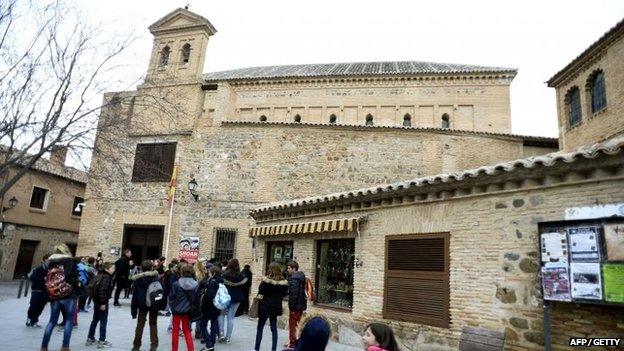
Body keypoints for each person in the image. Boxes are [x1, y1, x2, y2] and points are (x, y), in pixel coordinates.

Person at [40, 244, 80, 351]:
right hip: (68, 295)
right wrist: (77, 283)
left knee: (52, 321)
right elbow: (68, 276)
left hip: (54, 295)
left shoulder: (51, 263)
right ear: (66, 250)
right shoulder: (69, 261)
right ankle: (65, 347)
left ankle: (44, 347)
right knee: (69, 320)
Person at [253, 262, 288, 351]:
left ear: (271, 269)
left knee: (260, 327)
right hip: (275, 307)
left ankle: (257, 348)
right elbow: (284, 294)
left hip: (265, 306)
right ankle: (273, 349)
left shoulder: (266, 281)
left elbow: (260, 291)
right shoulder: (283, 283)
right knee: (274, 328)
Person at [130, 260, 161, 351]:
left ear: (142, 268)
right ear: (151, 267)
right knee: (153, 324)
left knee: (140, 324)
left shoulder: (138, 279)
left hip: (142, 304)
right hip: (153, 303)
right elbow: (161, 291)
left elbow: (135, 296)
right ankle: (154, 346)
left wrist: (134, 310)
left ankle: (136, 345)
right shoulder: (156, 278)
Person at [86, 262, 115, 348]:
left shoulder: (100, 274)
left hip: (96, 300)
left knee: (95, 319)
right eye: (112, 268)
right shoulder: (106, 277)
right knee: (103, 320)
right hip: (102, 301)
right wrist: (103, 303)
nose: (114, 270)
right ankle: (102, 340)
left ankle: (90, 337)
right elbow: (102, 290)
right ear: (107, 269)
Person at [169, 264, 198, 351]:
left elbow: (171, 297)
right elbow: (195, 299)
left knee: (175, 330)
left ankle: (174, 349)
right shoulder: (196, 284)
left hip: (177, 310)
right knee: (187, 331)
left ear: (182, 272)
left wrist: (173, 306)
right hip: (187, 310)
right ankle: (191, 349)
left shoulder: (176, 284)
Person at [218, 258, 247, 343]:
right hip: (237, 297)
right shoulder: (242, 276)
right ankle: (228, 338)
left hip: (225, 297)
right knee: (231, 318)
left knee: (221, 315)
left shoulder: (224, 275)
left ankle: (221, 334)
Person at [198, 266, 223, 351]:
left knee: (202, 325)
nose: (209, 274)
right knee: (213, 324)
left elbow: (209, 296)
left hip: (210, 307)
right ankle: (212, 343)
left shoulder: (212, 282)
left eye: (210, 273)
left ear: (214, 273)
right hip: (218, 307)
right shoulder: (221, 280)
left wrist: (203, 307)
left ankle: (209, 344)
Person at [284, 260, 306, 351]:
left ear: (294, 268)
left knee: (292, 325)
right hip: (300, 306)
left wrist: (291, 308)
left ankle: (293, 344)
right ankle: (297, 341)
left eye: (289, 268)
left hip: (295, 306)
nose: (287, 270)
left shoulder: (294, 279)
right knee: (298, 325)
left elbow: (294, 295)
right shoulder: (301, 277)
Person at [26, 253, 51, 328]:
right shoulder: (39, 268)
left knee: (41, 307)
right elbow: (32, 278)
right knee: (33, 305)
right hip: (37, 290)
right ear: (44, 260)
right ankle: (29, 318)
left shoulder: (50, 269)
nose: (49, 261)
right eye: (48, 259)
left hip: (45, 291)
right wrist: (43, 279)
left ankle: (35, 321)